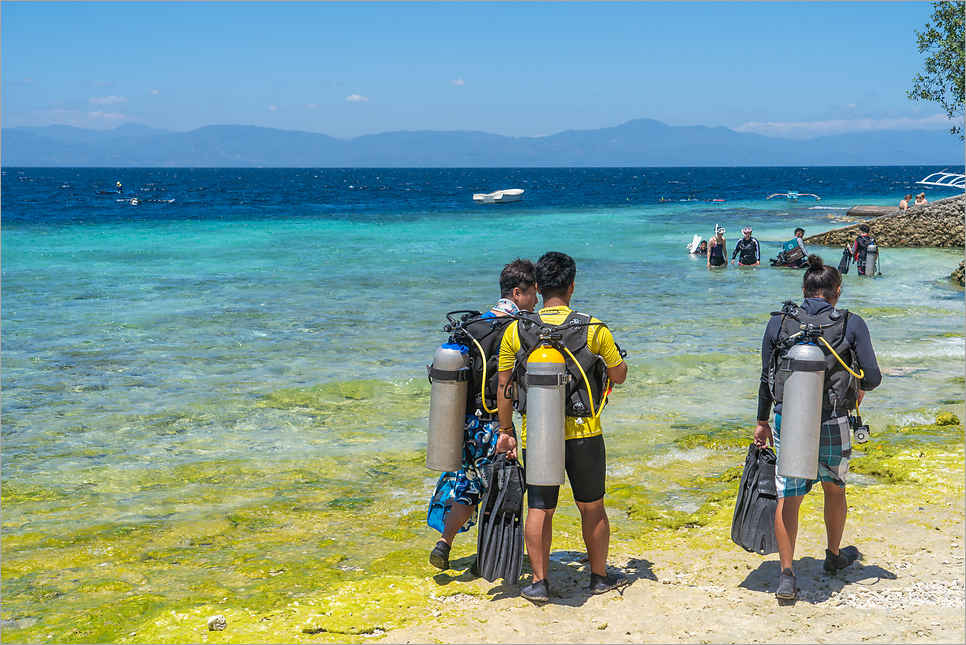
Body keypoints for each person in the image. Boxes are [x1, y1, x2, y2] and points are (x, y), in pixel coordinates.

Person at [496, 251, 628, 602]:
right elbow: (620, 375)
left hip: (537, 433)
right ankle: (599, 578)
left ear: (537, 288)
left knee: (540, 507)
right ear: (572, 286)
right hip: (585, 432)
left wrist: (505, 430)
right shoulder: (593, 327)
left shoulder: (517, 329)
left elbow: (504, 387)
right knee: (592, 505)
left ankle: (540, 582)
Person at [754, 254, 881, 601]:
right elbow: (873, 376)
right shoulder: (851, 323)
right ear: (837, 291)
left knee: (789, 495)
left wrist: (762, 421)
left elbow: (766, 378)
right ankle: (833, 556)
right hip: (832, 419)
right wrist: (858, 390)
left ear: (804, 288)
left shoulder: (779, 322)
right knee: (834, 487)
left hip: (786, 418)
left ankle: (786, 575)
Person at [428, 259, 539, 572]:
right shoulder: (516, 330)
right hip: (492, 423)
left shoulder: (471, 326)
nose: (535, 300)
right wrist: (509, 429)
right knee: (502, 488)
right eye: (532, 294)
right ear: (517, 293)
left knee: (469, 486)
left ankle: (444, 543)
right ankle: (488, 557)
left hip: (460, 422)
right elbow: (509, 384)